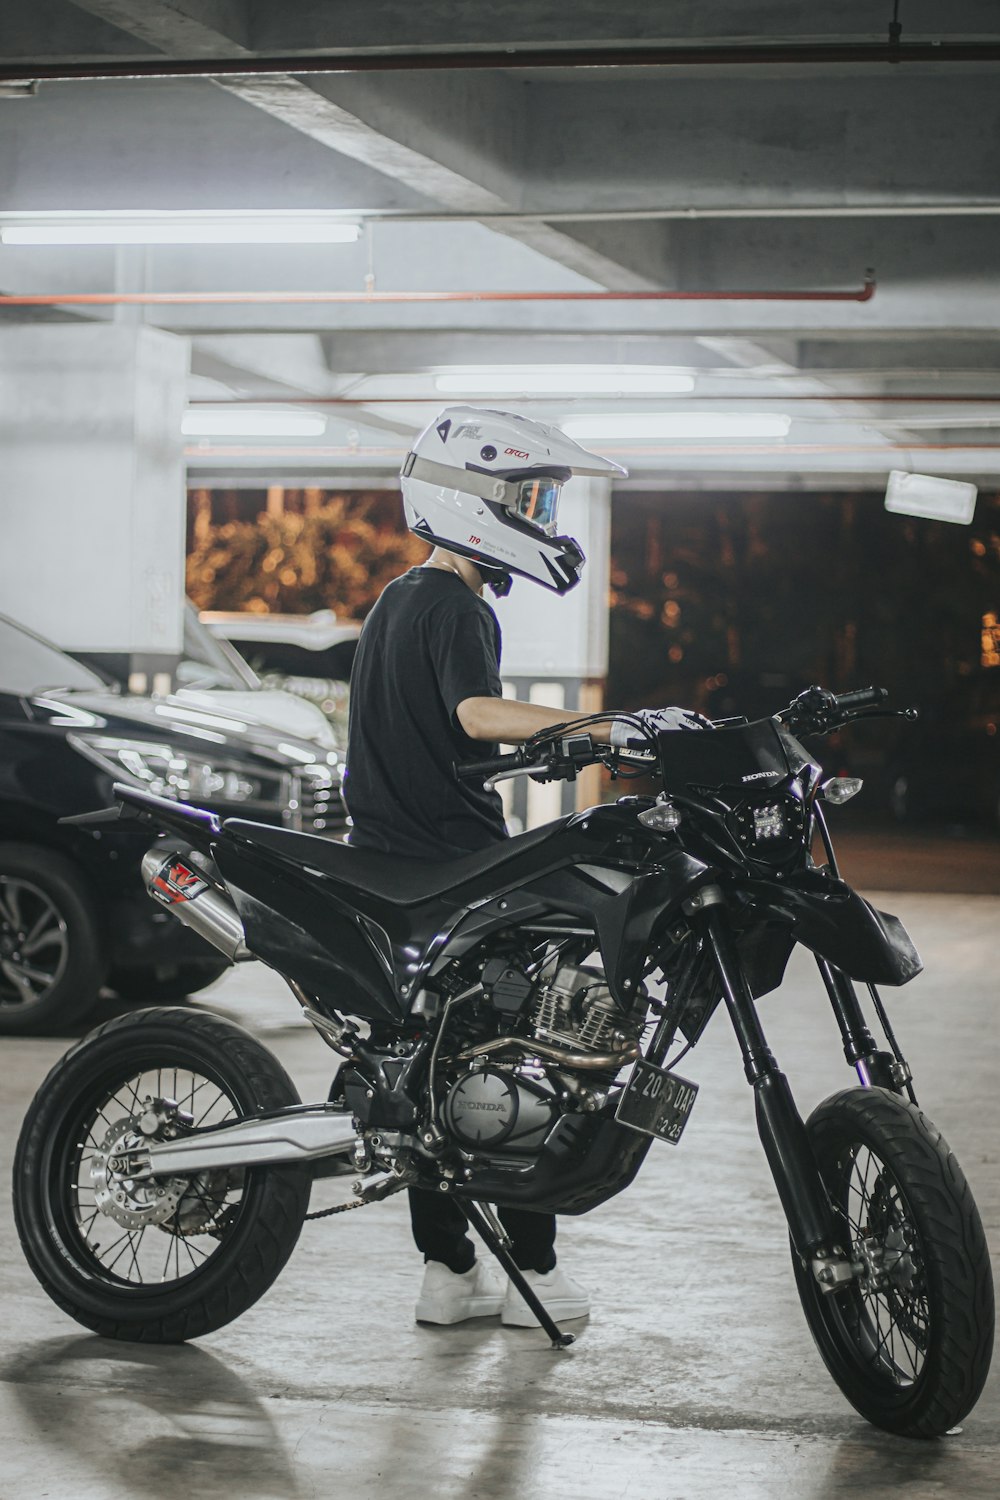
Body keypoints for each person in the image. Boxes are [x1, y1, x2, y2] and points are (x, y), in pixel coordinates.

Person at [343, 406, 706, 1328]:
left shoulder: (396, 600)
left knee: (424, 1065)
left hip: (389, 866)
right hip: (461, 868)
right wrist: (601, 727)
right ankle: (535, 1274)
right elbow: (471, 715)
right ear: (472, 500)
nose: (542, 517)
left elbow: (430, 735)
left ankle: (447, 1270)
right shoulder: (456, 603)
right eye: (530, 497)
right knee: (530, 1060)